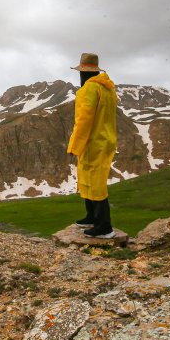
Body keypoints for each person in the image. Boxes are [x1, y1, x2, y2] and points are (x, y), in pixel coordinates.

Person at [67, 52, 118, 238]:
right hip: (106, 139)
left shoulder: (87, 90)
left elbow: (84, 120)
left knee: (95, 181)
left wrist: (74, 145)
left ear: (84, 73)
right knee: (90, 176)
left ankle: (104, 226)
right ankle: (91, 216)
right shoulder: (108, 89)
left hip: (93, 140)